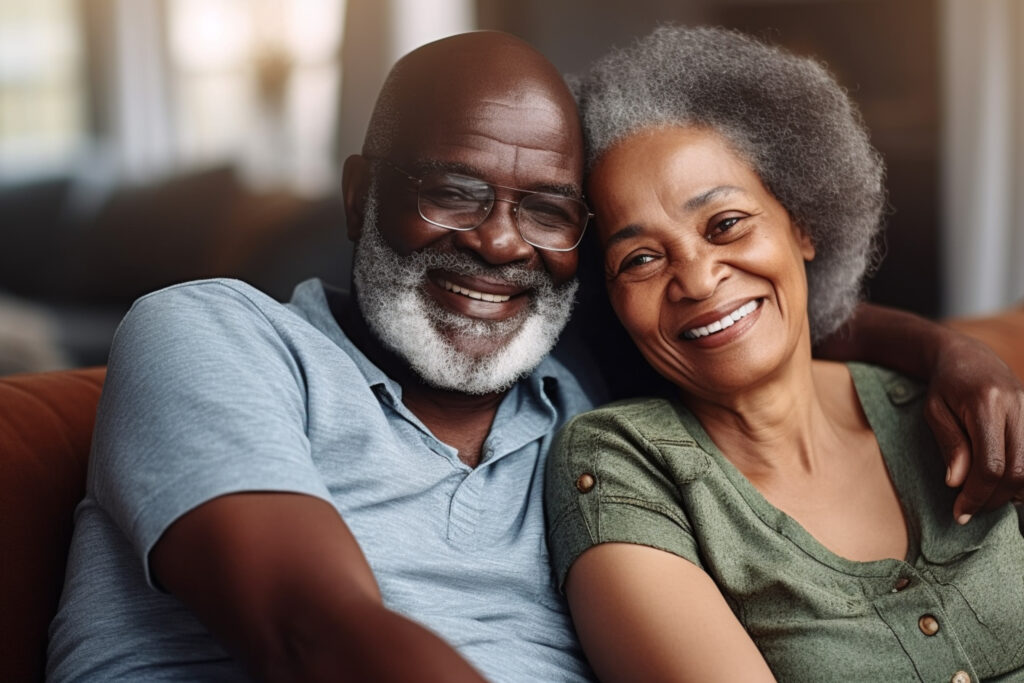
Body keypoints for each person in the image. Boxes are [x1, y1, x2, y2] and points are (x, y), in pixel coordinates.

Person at [46, 30, 1021, 683]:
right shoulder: (213, 336)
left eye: (546, 210)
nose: (502, 244)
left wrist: (954, 358)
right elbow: (315, 630)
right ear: (358, 197)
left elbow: (751, 313)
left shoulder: (575, 388)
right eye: (455, 191)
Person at [546, 25, 1024, 683]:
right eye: (641, 258)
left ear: (802, 223)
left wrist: (951, 351)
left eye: (725, 224)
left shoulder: (943, 410)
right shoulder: (623, 464)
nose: (697, 279)